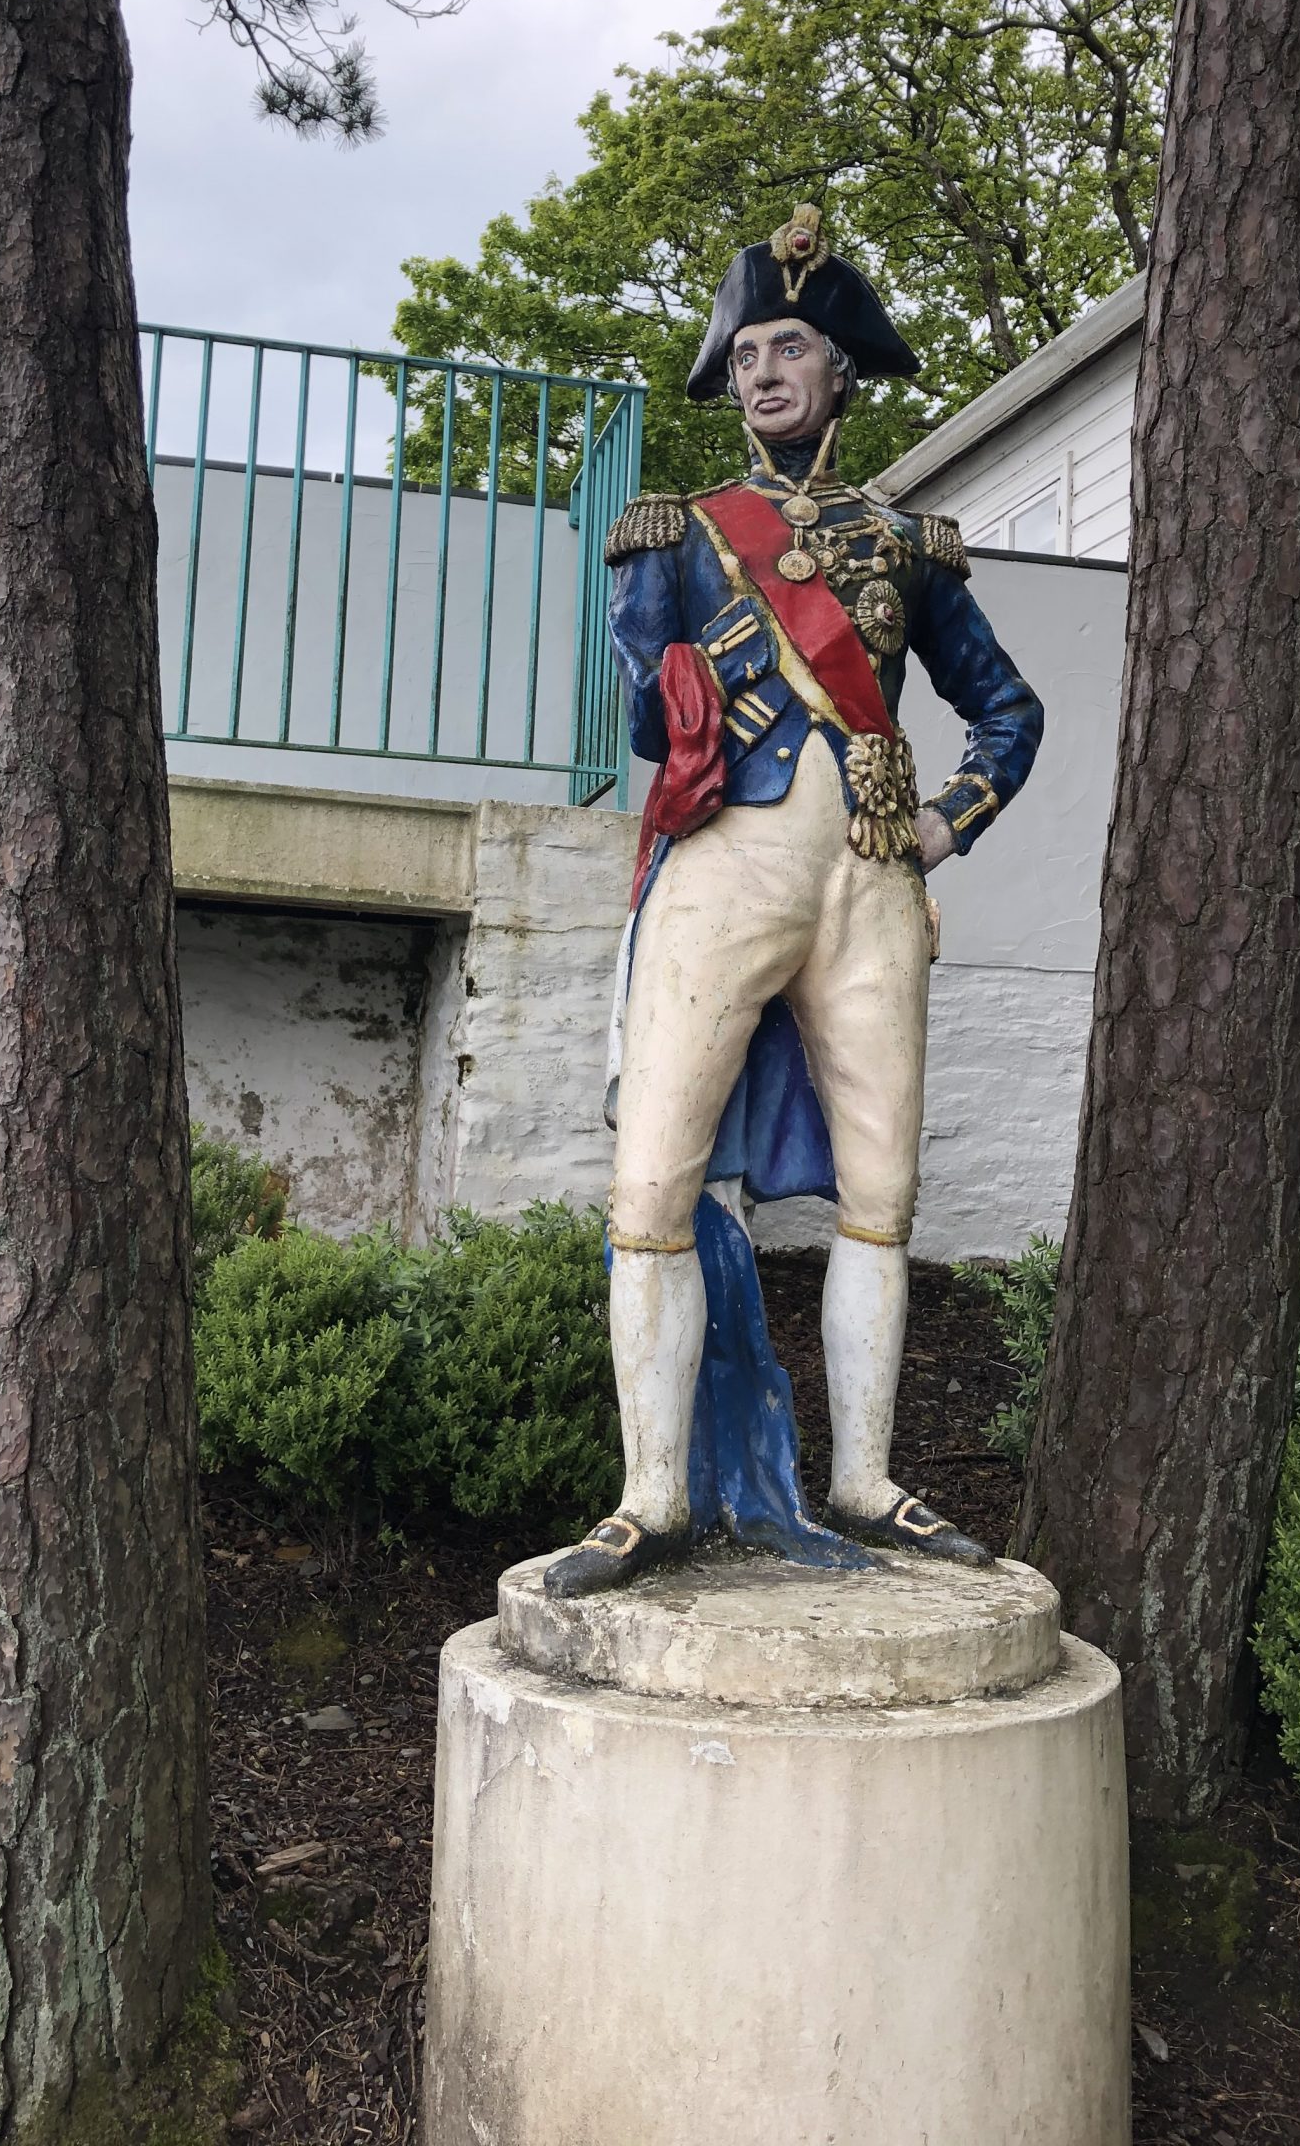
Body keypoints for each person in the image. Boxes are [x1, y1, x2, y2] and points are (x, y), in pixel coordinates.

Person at [546, 205, 1045, 1599]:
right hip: (732, 870)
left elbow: (1007, 709)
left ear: (838, 374)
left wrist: (944, 828)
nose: (764, 374)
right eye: (748, 353)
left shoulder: (908, 546)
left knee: (883, 1195)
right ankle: (651, 1496)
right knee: (652, 1181)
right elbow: (652, 729)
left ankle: (869, 1480)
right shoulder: (684, 535)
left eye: (790, 350)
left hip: (871, 887)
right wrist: (676, 659)